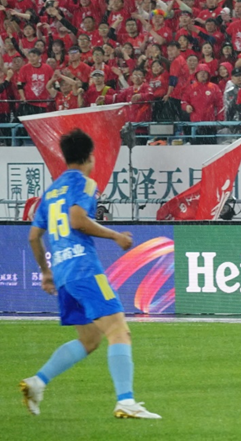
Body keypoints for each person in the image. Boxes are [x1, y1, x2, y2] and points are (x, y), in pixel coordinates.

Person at [21, 129, 161, 419]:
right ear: (90, 157)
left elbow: (34, 236)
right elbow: (78, 220)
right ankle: (126, 401)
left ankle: (38, 382)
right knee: (119, 331)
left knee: (89, 340)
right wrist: (115, 236)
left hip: (63, 274)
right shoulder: (85, 184)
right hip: (84, 269)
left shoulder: (51, 191)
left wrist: (46, 272)